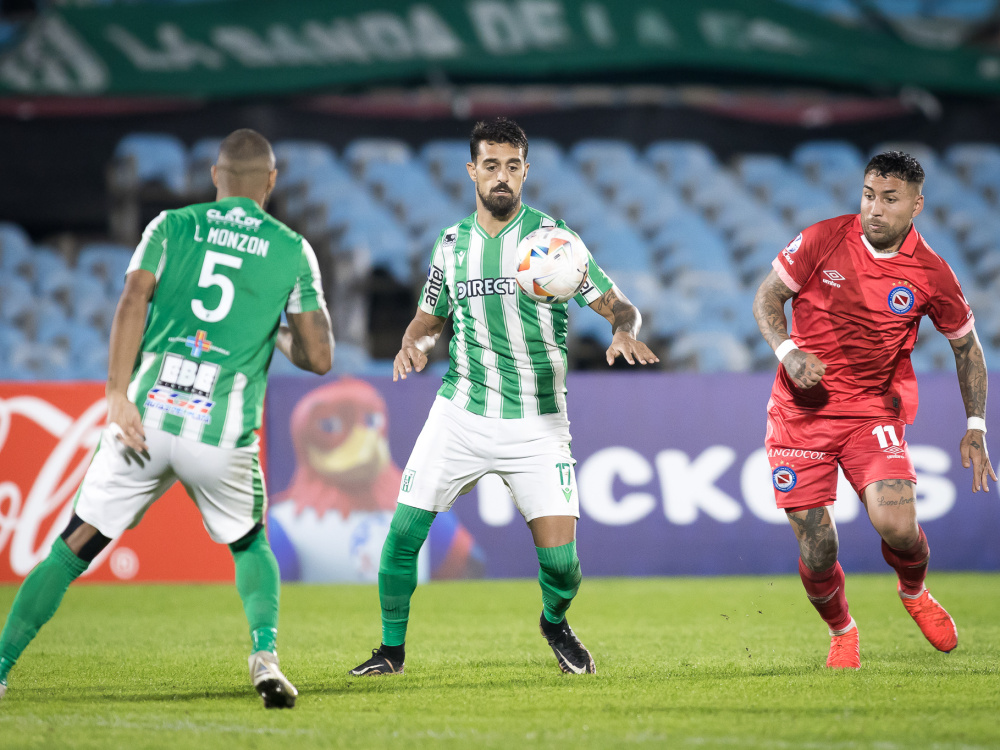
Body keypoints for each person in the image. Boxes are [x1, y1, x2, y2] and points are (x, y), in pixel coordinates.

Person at [0, 129, 334, 707]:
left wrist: (114, 392)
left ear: (214, 177)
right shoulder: (292, 250)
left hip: (145, 417)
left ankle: (2, 666)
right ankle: (264, 657)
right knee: (251, 543)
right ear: (271, 183)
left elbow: (133, 299)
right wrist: (271, 329)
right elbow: (321, 358)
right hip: (219, 430)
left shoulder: (168, 226)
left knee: (74, 544)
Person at [348, 117, 658, 678]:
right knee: (401, 538)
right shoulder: (452, 244)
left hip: (538, 423)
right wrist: (413, 345)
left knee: (564, 567)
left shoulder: (555, 242)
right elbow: (427, 318)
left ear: (525, 171)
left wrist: (623, 329)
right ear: (472, 170)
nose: (502, 177)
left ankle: (554, 621)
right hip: (460, 413)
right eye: (491, 165)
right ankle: (391, 651)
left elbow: (619, 304)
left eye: (512, 166)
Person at [752, 150, 995, 669]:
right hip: (800, 415)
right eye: (868, 195)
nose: (874, 209)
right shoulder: (822, 239)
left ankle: (915, 592)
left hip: (871, 413)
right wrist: (787, 351)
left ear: (916, 205)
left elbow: (967, 346)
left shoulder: (931, 272)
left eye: (889, 199)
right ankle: (843, 630)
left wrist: (975, 424)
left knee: (899, 526)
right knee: (818, 549)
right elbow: (767, 298)